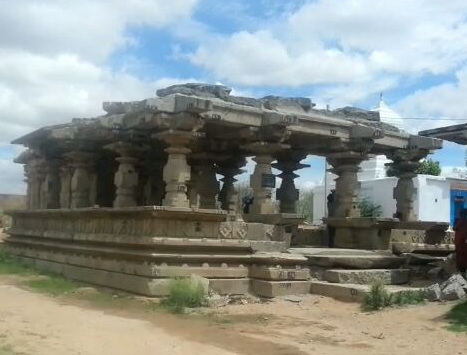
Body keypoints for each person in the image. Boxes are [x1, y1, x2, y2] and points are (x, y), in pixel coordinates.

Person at [453, 209, 467, 273]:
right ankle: (460, 268)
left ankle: (463, 268)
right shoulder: (457, 220)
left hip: (464, 241)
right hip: (459, 240)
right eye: (462, 214)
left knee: (464, 254)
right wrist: (460, 222)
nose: (463, 215)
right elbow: (454, 228)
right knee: (459, 254)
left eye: (464, 214)